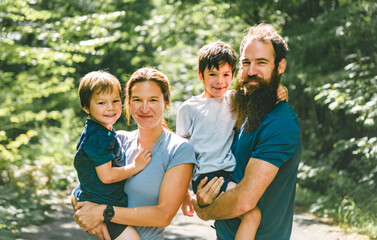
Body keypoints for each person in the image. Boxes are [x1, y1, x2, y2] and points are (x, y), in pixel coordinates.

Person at [192, 23, 302, 240]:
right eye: (246, 63)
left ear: (280, 66)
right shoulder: (242, 109)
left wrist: (203, 210)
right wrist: (205, 196)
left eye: (261, 62)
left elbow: (244, 200)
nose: (252, 71)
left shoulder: (280, 123)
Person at [72, 67, 196, 240]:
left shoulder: (179, 149)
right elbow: (81, 190)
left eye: (153, 100)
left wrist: (103, 213)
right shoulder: (118, 141)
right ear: (128, 103)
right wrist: (89, 218)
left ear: (166, 102)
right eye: (137, 100)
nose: (145, 108)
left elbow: (163, 216)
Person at [74, 70, 152, 240]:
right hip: (103, 208)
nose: (110, 107)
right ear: (86, 107)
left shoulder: (102, 130)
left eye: (115, 101)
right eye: (101, 102)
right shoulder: (98, 137)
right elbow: (107, 176)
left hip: (103, 205)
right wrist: (135, 166)